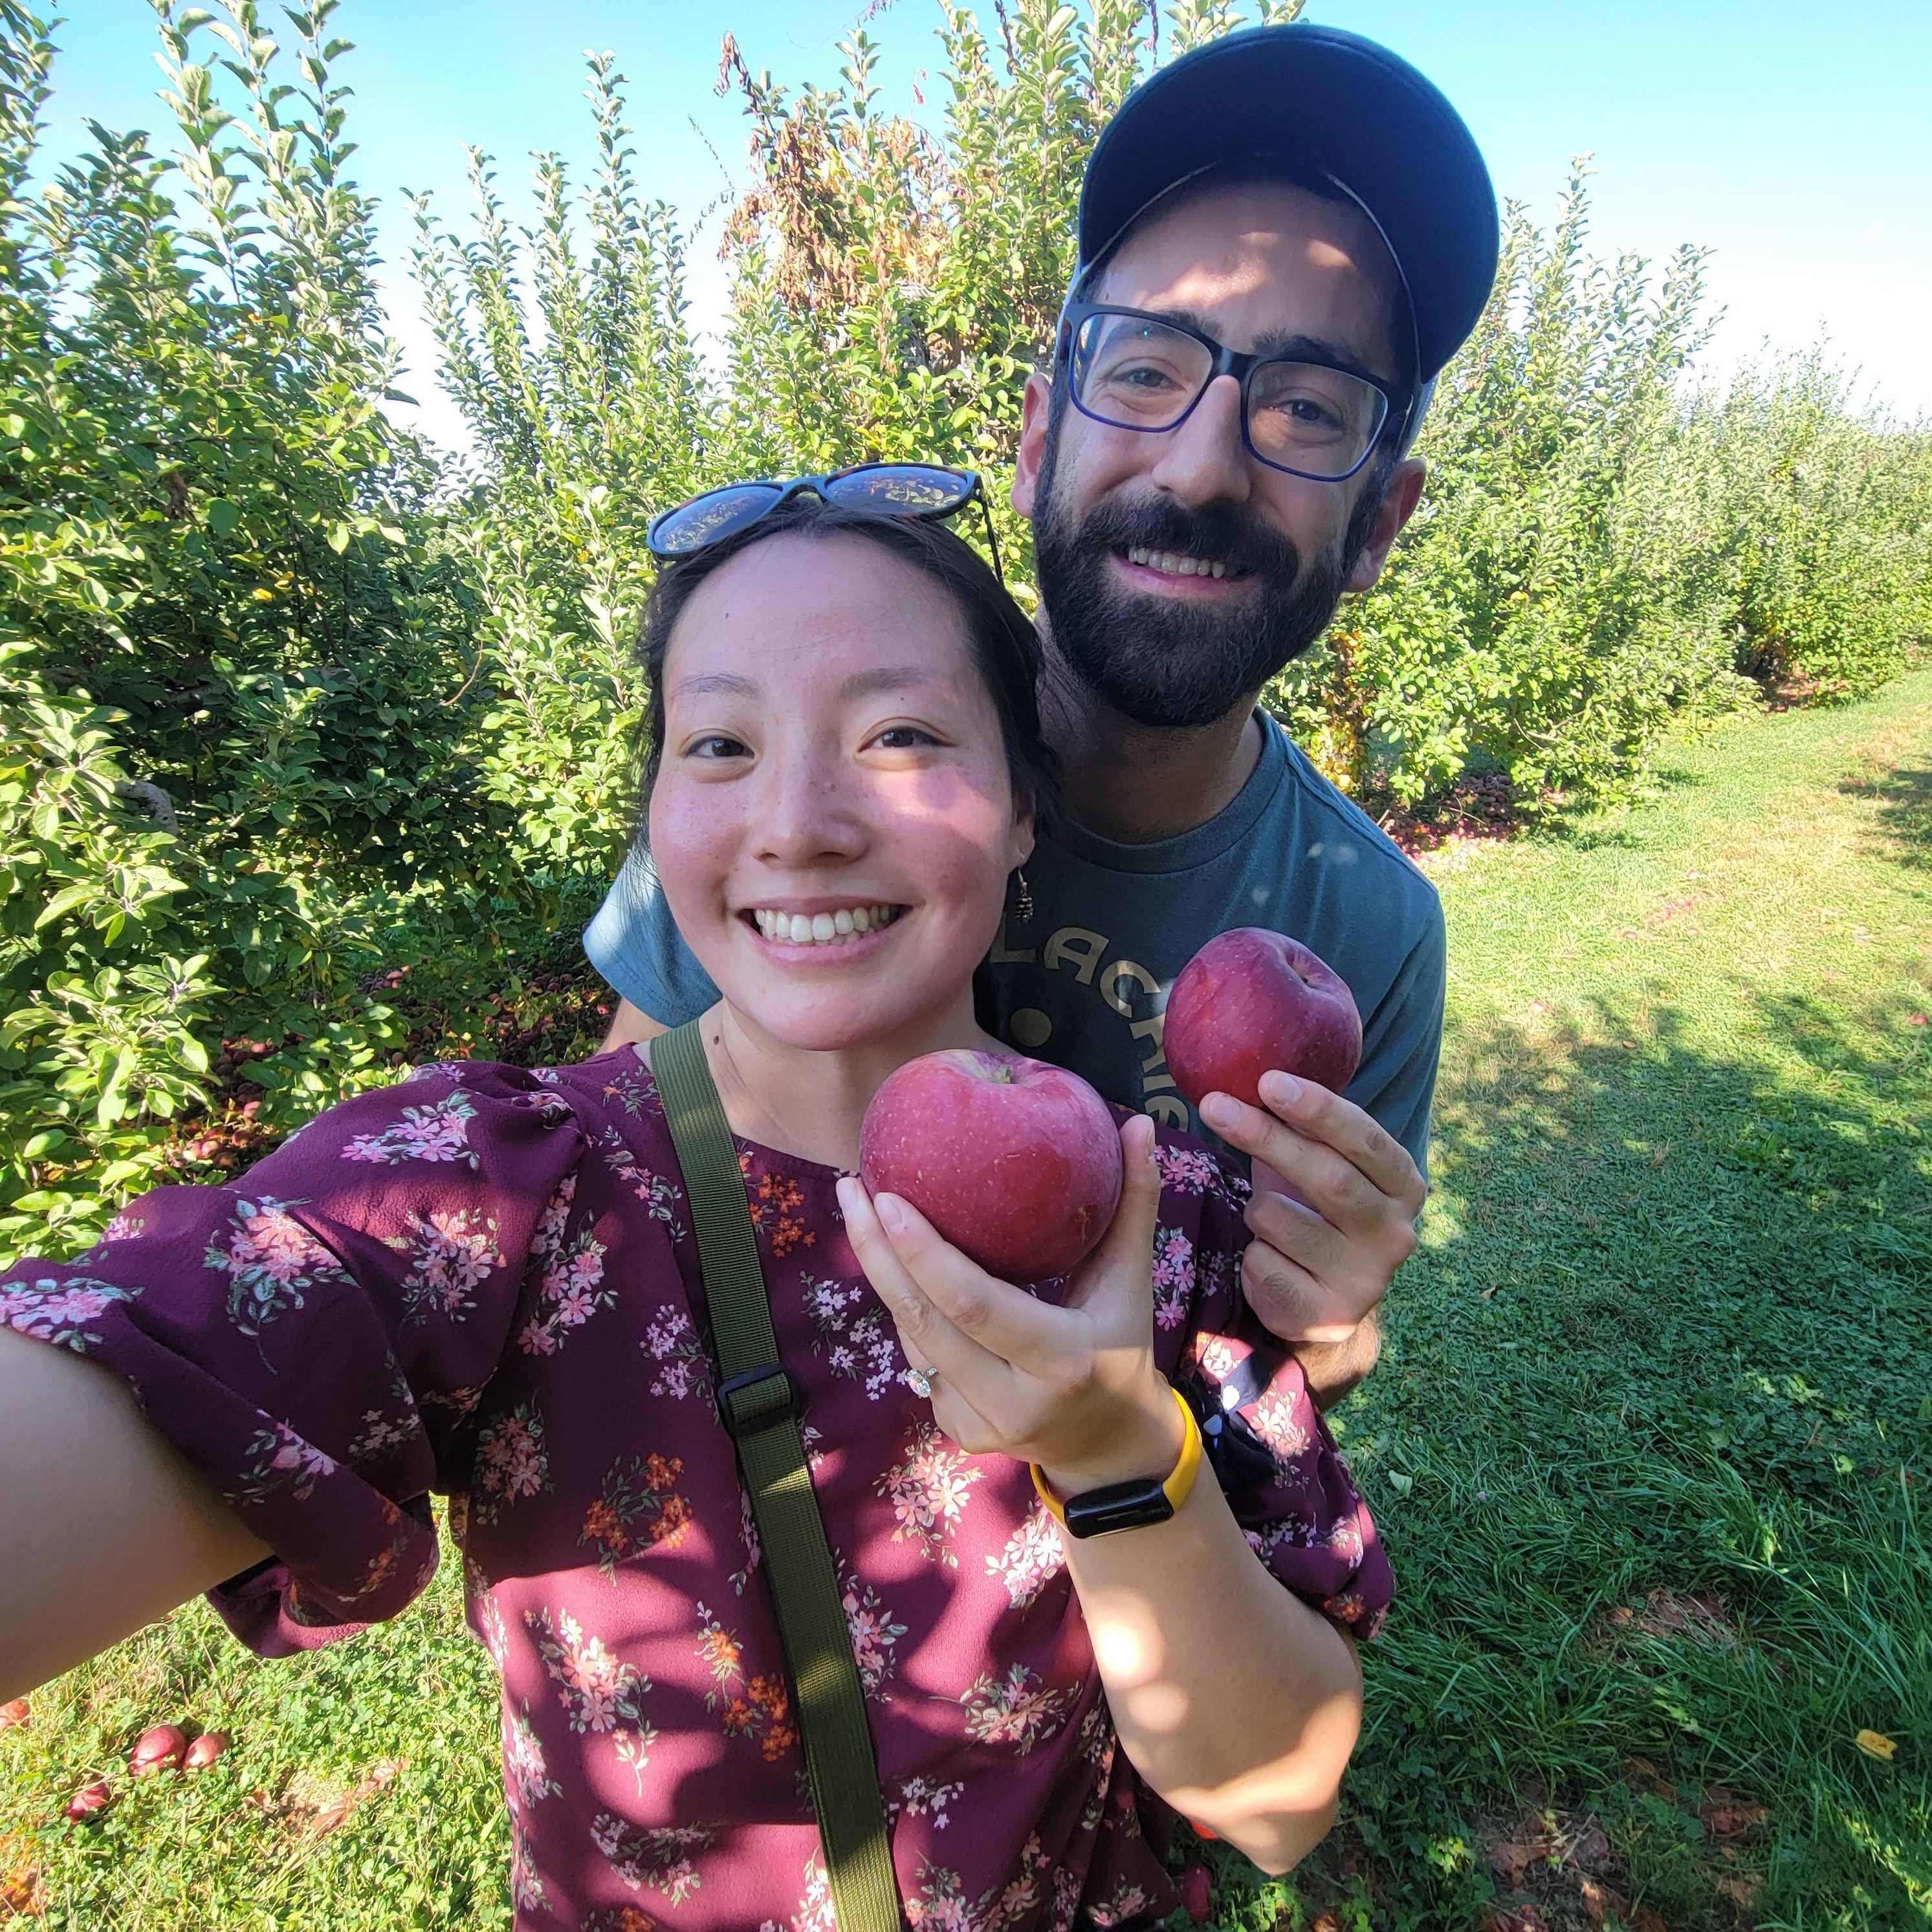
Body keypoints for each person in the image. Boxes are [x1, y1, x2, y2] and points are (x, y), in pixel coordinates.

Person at [1, 500, 1389, 1930]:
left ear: (1025, 807)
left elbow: (1279, 1803)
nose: (797, 825)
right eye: (720, 744)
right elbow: (186, 1331)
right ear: (657, 814)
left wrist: (1117, 1456)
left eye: (900, 734)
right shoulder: (510, 1192)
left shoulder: (1163, 1222)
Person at [585, 22, 1500, 1409]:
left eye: (1308, 408)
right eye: (1142, 369)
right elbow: (619, 1171)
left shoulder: (1366, 926)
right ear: (1034, 439)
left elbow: (1279, 1385)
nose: (1198, 468)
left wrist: (1327, 1335)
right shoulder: (785, 790)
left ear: (1378, 521)